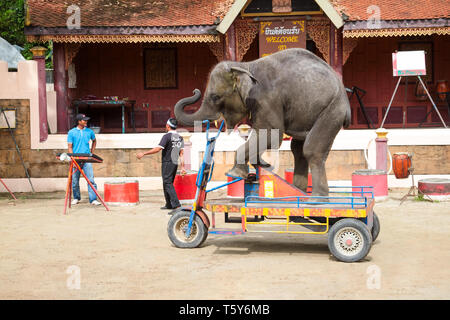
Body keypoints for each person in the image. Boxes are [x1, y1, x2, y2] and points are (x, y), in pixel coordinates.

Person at [137, 118, 186, 210]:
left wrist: (144, 153)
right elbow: (181, 153)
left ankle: (177, 205)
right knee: (167, 183)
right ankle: (169, 204)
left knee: (167, 183)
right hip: (175, 163)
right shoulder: (180, 137)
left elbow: (158, 149)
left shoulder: (166, 137)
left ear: (168, 126)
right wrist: (183, 167)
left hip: (167, 162)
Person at [67, 114, 101, 206]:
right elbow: (70, 147)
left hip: (87, 159)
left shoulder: (89, 132)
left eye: (86, 120)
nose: (86, 122)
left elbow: (94, 141)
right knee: (75, 181)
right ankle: (76, 198)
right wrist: (72, 158)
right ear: (79, 121)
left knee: (91, 180)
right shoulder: (71, 132)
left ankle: (93, 199)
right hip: (76, 159)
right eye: (84, 120)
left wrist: (92, 152)